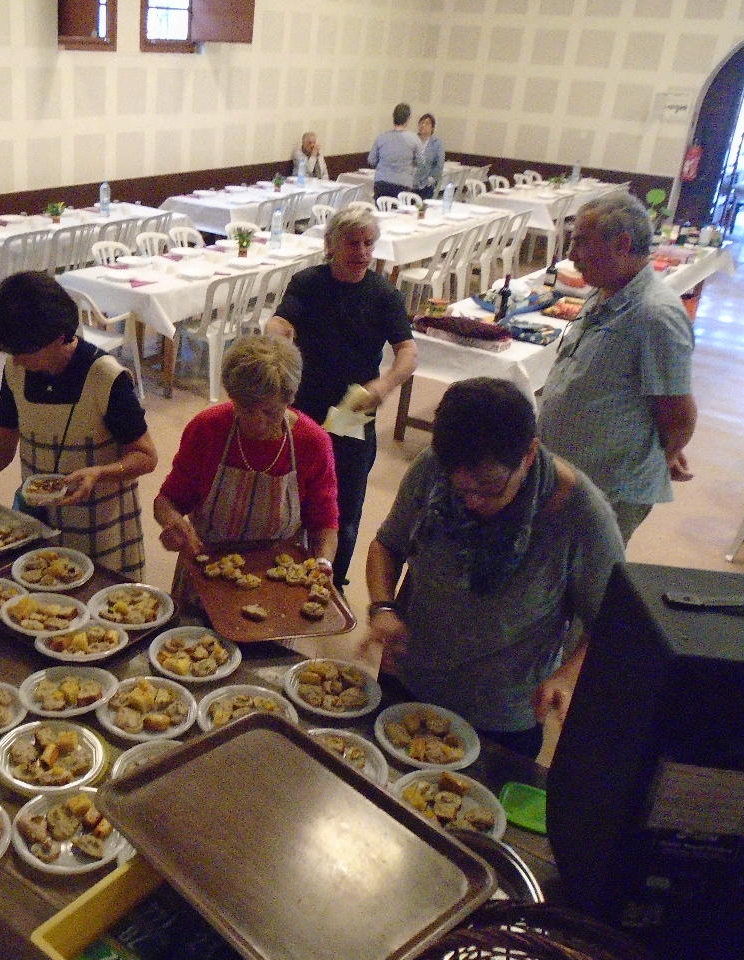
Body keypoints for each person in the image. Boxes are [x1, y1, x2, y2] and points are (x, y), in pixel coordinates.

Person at [363, 378, 624, 758]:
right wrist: (383, 608)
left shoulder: (582, 515)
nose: (471, 501)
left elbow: (614, 623)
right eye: (459, 489)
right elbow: (387, 545)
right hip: (409, 677)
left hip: (499, 715)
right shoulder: (433, 468)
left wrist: (567, 677)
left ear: (529, 454)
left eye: (489, 488)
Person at [0, 271, 157, 579]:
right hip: (38, 524)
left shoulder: (105, 377)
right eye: (11, 352)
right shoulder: (16, 370)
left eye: (24, 352)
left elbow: (145, 456)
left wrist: (99, 473)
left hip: (100, 529)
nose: (17, 361)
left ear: (60, 336)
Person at [267, 207, 416, 588]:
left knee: (343, 504)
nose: (362, 252)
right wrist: (277, 336)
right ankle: (281, 574)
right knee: (290, 491)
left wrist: (384, 385)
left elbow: (407, 352)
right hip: (305, 399)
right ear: (330, 244)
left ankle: (332, 581)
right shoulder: (308, 282)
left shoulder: (384, 294)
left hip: (352, 407)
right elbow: (281, 322)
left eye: (368, 243)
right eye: (352, 243)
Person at [538, 191, 696, 543]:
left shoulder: (655, 315)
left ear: (622, 244)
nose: (571, 255)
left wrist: (660, 454)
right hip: (569, 475)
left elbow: (679, 414)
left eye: (581, 242)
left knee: (588, 571)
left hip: (609, 489)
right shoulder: (606, 290)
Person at [154, 335, 338, 572]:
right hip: (209, 562)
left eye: (271, 412)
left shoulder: (312, 442)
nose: (258, 422)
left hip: (279, 568)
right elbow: (168, 500)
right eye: (247, 409)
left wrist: (323, 562)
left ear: (289, 399)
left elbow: (324, 523)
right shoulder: (207, 429)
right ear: (233, 398)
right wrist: (172, 522)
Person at [367, 103, 421, 201]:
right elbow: (421, 162)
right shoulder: (414, 139)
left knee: (382, 208)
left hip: (382, 182)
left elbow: (371, 160)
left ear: (393, 117)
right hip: (403, 183)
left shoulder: (382, 137)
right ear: (408, 119)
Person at [415, 113, 444, 200]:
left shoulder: (437, 143)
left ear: (432, 128)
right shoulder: (413, 140)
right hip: (412, 182)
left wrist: (431, 179)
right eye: (421, 123)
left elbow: (440, 164)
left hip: (427, 184)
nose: (423, 125)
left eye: (427, 123)